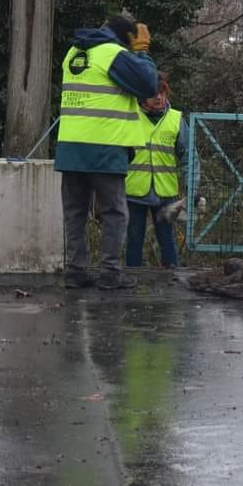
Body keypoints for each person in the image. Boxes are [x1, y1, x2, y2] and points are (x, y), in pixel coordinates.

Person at [54, 16, 158, 290]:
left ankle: (75, 271)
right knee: (114, 212)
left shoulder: (74, 53)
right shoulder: (113, 53)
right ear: (126, 38)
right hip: (104, 148)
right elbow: (148, 85)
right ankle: (110, 273)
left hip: (71, 148)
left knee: (75, 213)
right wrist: (142, 52)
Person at [125, 72, 187, 268]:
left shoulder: (176, 119)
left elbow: (188, 156)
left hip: (165, 191)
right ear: (142, 96)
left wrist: (192, 187)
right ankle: (131, 278)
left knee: (167, 239)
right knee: (134, 238)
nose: (159, 98)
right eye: (154, 94)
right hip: (134, 190)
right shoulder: (130, 117)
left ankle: (172, 278)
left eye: (162, 93)